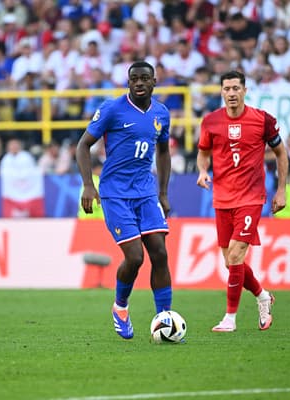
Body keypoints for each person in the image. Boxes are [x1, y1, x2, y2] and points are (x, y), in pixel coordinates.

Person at [76, 61, 173, 340]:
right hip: (115, 193)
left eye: (145, 78)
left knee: (160, 253)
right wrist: (87, 185)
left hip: (145, 191)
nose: (139, 83)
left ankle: (164, 318)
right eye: (134, 79)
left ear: (154, 81)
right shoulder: (112, 109)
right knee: (135, 257)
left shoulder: (161, 113)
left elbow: (163, 152)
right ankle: (120, 307)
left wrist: (163, 192)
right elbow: (83, 146)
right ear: (128, 82)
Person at [196, 70, 288, 333]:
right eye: (227, 89)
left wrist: (281, 190)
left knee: (236, 254)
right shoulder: (211, 122)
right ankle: (262, 296)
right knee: (230, 261)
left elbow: (281, 153)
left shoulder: (262, 120)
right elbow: (203, 153)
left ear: (245, 91)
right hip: (222, 198)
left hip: (251, 196)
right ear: (221, 92)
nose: (232, 93)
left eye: (236, 88)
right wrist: (203, 171)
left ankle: (230, 318)